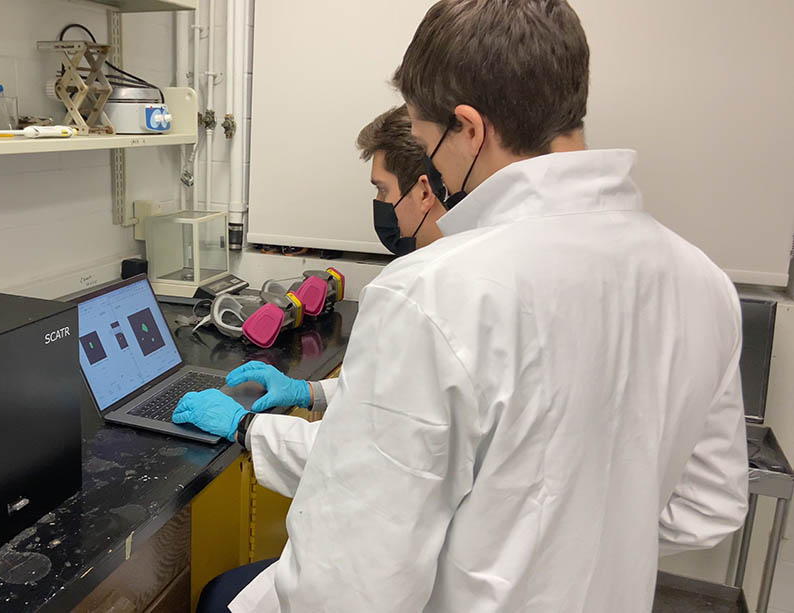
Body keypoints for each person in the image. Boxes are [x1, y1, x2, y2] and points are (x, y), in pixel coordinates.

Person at [187, 1, 750, 611]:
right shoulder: (702, 280)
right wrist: (567, 548)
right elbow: (707, 508)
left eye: (428, 143)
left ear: (470, 129)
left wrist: (489, 548)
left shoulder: (434, 292)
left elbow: (349, 583)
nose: (432, 169)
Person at [173, 105, 446, 500]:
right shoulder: (458, 278)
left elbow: (357, 458)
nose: (379, 203)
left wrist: (243, 425)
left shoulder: (413, 293)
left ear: (423, 192)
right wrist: (309, 393)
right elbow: (400, 404)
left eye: (382, 190)